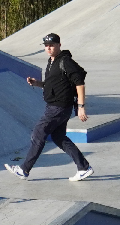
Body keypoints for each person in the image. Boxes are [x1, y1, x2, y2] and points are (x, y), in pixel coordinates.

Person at [5, 33, 92, 181]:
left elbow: (79, 83)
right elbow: (53, 84)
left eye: (51, 45)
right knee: (59, 137)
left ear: (59, 45)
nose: (49, 48)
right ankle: (83, 167)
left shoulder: (65, 61)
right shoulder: (51, 62)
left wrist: (81, 106)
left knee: (38, 134)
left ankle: (24, 170)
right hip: (56, 106)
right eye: (46, 46)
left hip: (58, 107)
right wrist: (37, 83)